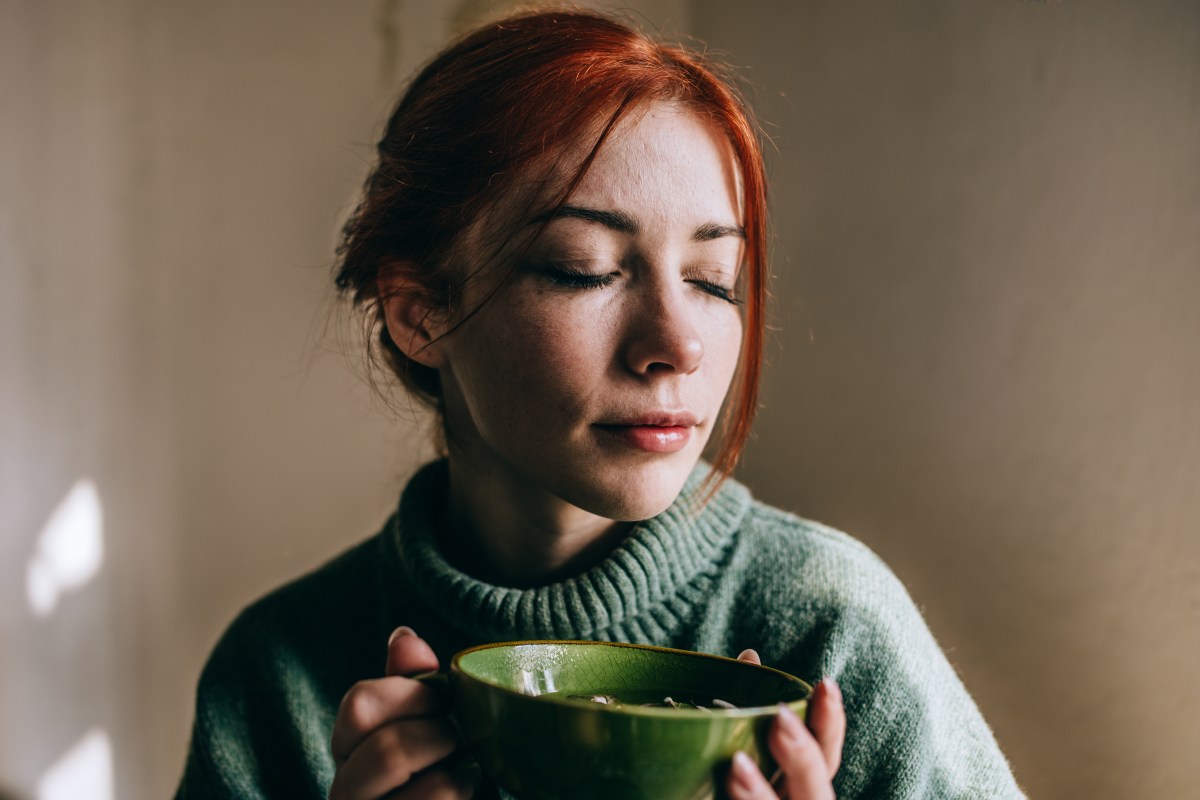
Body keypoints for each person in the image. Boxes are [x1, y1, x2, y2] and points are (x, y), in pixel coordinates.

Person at [174, 8, 1023, 800]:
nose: (680, 345)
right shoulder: (279, 676)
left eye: (712, 280)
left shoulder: (831, 630)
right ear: (418, 314)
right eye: (584, 268)